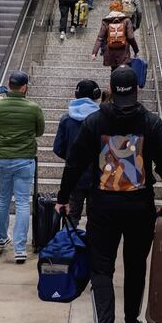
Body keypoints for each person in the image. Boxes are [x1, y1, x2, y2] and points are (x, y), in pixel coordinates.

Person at [56, 67, 162, 323]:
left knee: (102, 271)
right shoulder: (151, 122)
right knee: (136, 267)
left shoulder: (94, 121)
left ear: (110, 90)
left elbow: (74, 163)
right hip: (140, 207)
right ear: (137, 88)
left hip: (102, 208)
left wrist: (63, 197)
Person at [0, 71, 45, 264]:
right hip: (25, 159)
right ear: (24, 87)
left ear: (9, 85)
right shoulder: (33, 108)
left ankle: (1, 238)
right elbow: (40, 131)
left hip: (2, 159)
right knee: (21, 202)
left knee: (3, 198)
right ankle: (20, 249)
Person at [53, 79, 101, 223]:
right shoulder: (102, 119)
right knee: (96, 220)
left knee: (72, 217)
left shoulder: (67, 119)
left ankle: (70, 244)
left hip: (74, 177)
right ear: (96, 95)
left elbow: (58, 148)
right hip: (98, 176)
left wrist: (71, 157)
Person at [92, 0, 139, 72]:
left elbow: (100, 38)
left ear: (110, 9)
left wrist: (94, 53)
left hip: (110, 50)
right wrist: (136, 50)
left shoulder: (106, 21)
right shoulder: (126, 20)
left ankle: (113, 83)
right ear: (121, 9)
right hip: (123, 51)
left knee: (113, 71)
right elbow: (131, 37)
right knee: (124, 72)